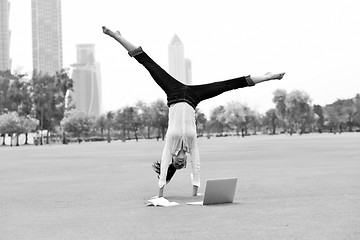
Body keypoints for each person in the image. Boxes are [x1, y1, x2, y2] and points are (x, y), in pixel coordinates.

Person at [102, 26, 285, 197]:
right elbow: (197, 167)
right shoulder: (192, 146)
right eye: (182, 165)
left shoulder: (170, 145)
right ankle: (268, 77)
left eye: (177, 164)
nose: (180, 164)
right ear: (185, 162)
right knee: (228, 85)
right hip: (193, 97)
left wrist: (160, 195)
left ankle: (116, 36)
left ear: (174, 159)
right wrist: (196, 193)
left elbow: (164, 165)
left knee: (148, 63)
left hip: (173, 93)